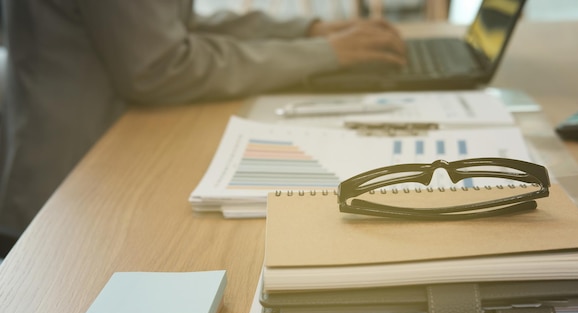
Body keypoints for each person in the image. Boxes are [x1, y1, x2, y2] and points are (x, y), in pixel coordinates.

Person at [0, 0, 406, 247]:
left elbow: (177, 27)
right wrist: (323, 53)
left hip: (98, 165)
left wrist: (308, 32)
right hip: (71, 191)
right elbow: (161, 66)